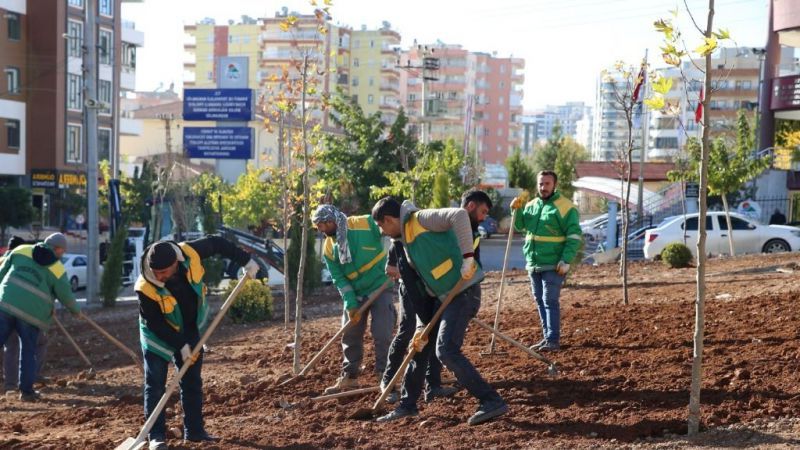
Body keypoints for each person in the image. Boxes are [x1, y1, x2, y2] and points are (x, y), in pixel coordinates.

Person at [371, 196, 508, 426]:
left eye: (381, 226)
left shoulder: (421, 219)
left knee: (446, 350)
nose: (382, 231)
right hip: (442, 298)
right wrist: (423, 324)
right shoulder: (402, 241)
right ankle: (407, 406)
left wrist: (467, 258)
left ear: (388, 219)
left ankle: (491, 400)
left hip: (463, 291)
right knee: (420, 346)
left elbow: (459, 215)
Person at [136, 236, 258, 450]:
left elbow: (219, 243)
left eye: (165, 272)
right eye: (157, 273)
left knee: (191, 380)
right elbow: (155, 324)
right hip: (158, 336)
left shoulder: (189, 252)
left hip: (190, 327)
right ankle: (155, 436)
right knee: (155, 385)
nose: (160, 277)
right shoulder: (145, 287)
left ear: (175, 263)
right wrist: (180, 345)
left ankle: (194, 431)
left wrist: (246, 260)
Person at [312, 204, 395, 394]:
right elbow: (339, 278)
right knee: (350, 333)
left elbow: (392, 232)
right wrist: (350, 302)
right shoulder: (329, 247)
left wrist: (396, 260)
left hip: (380, 285)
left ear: (332, 221)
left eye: (322, 225)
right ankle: (350, 376)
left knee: (382, 332)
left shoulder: (364, 223)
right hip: (356, 292)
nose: (320, 230)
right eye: (317, 226)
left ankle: (385, 374)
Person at [0, 233, 80, 401]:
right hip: (31, 315)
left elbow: (2, 272)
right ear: (56, 249)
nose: (62, 254)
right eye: (62, 251)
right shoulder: (57, 268)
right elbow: (65, 294)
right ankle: (26, 392)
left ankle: (14, 386)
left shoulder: (21, 250)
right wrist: (76, 311)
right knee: (28, 351)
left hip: (5, 305)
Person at [510, 170, 582, 352]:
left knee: (550, 300)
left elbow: (573, 236)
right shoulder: (532, 205)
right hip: (534, 263)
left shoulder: (566, 207)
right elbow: (520, 226)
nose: (543, 187)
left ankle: (552, 339)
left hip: (554, 264)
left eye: (547, 184)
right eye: (541, 184)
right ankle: (547, 337)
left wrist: (566, 260)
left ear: (555, 185)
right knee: (540, 301)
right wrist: (517, 210)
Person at [380, 239, 456, 404]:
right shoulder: (399, 238)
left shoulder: (427, 235)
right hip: (409, 289)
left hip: (432, 288)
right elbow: (390, 269)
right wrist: (408, 274)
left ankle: (433, 386)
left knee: (433, 332)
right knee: (407, 331)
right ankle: (388, 382)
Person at [2, 236, 51, 392]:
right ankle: (31, 377)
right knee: (36, 343)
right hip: (23, 312)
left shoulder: (5, 260)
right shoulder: (20, 260)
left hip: (4, 310)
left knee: (10, 347)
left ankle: (10, 384)